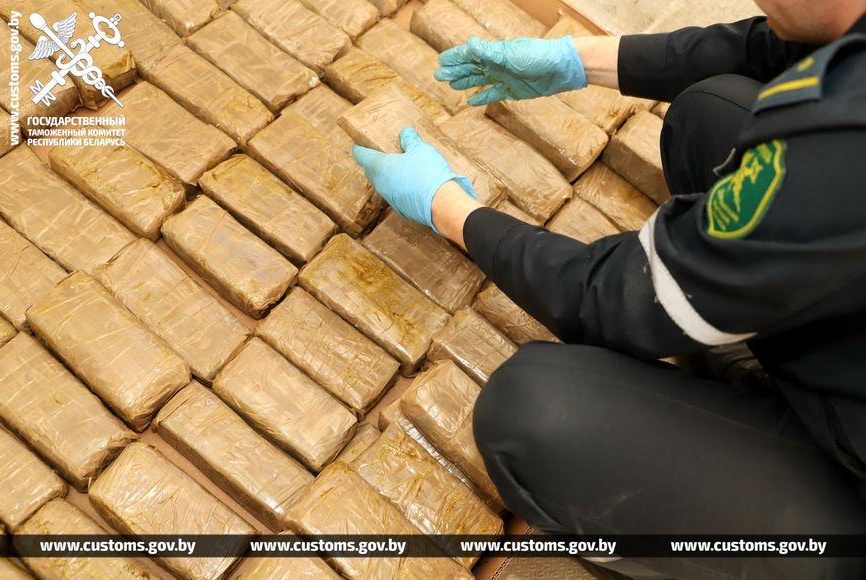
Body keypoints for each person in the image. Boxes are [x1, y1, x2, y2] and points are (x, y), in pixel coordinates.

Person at [352, 1, 866, 578]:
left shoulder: (843, 153)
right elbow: (770, 46)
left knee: (532, 411)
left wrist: (450, 209)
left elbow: (613, 298)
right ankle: (757, 355)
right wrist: (579, 60)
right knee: (712, 112)